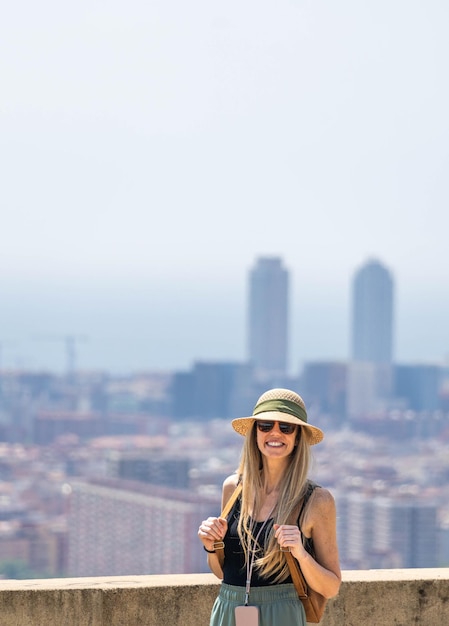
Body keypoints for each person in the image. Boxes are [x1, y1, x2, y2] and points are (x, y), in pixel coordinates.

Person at [198, 388, 341, 626]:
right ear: (255, 433)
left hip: (282, 614)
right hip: (228, 611)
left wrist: (301, 555)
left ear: (297, 438)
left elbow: (331, 586)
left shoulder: (316, 500)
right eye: (265, 425)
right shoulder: (233, 488)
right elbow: (225, 573)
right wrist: (211, 547)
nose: (275, 433)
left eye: (286, 427)